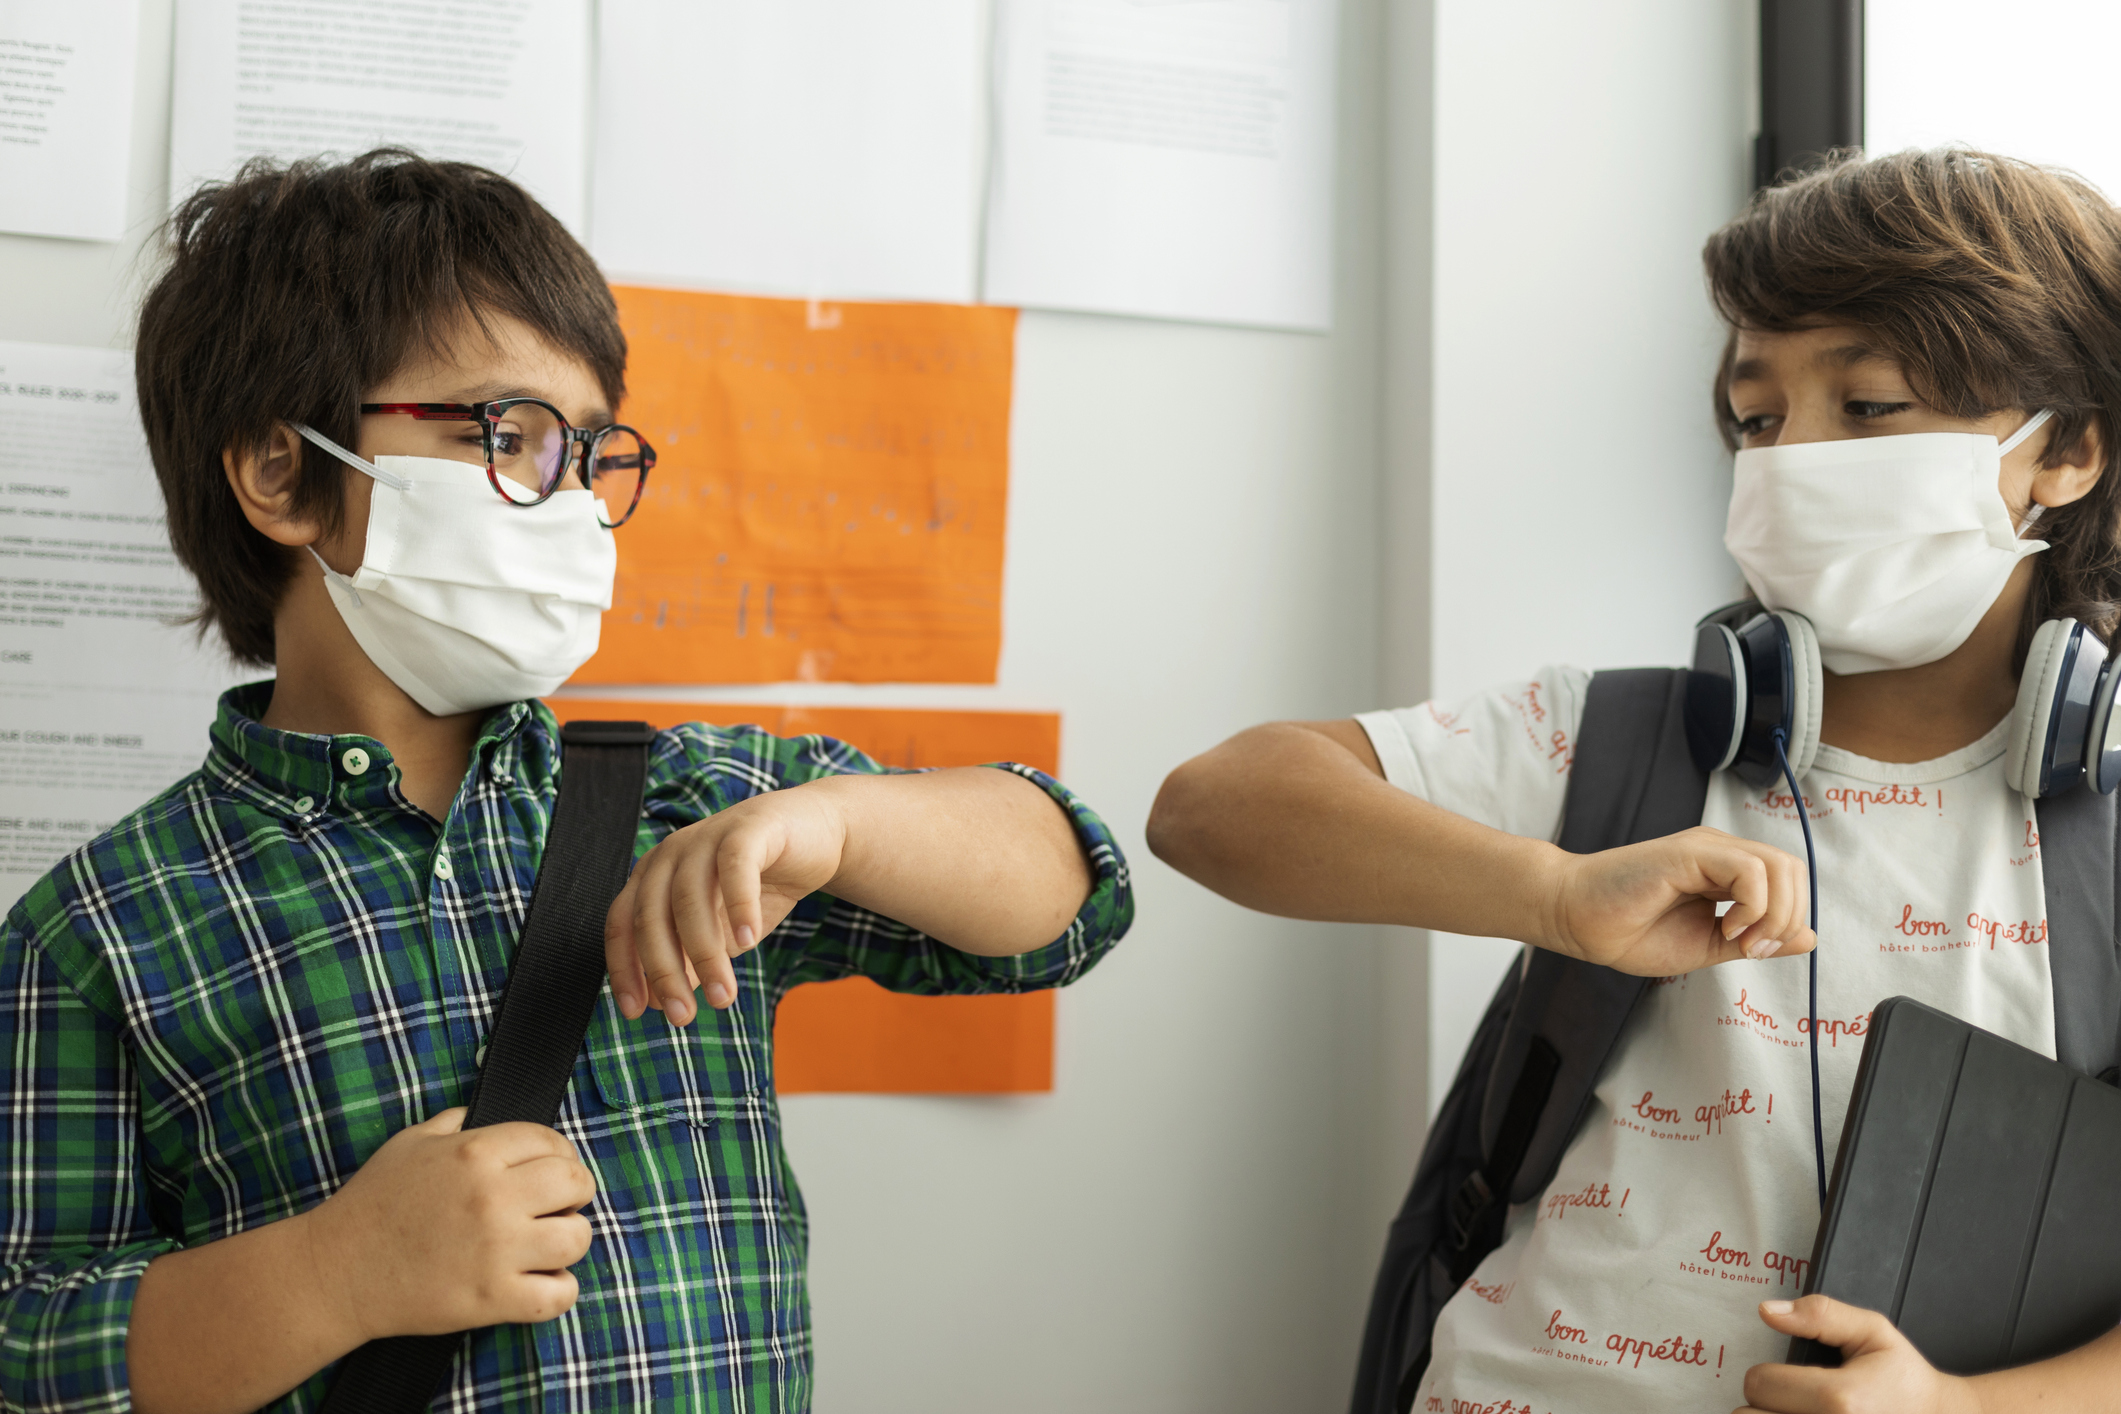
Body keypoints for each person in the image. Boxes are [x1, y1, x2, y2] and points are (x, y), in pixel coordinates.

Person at [0, 151, 1132, 1413]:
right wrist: (332, 1275)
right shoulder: (99, 928)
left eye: (590, 452)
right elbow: (28, 1344)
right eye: (513, 435)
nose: (575, 505)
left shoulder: (701, 799)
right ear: (283, 473)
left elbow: (1072, 894)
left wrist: (842, 821)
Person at [1149, 147, 2121, 1413]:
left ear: (2069, 450)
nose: (1790, 458)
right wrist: (1553, 894)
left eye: (1870, 406)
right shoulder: (1616, 738)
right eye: (1759, 418)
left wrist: (1965, 1408)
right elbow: (1210, 806)